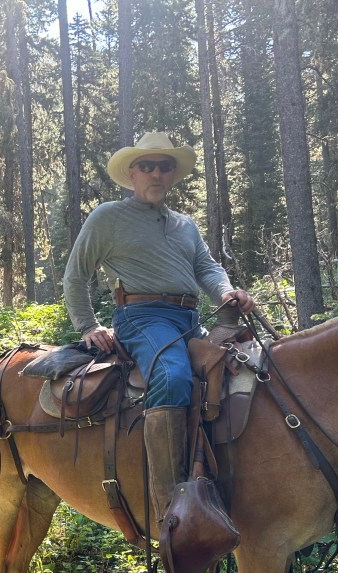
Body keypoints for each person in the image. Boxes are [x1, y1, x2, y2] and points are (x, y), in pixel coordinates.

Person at [62, 132, 255, 519]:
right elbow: (75, 275)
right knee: (171, 374)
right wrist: (87, 325)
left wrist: (226, 293)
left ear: (172, 175)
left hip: (188, 319)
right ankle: (172, 507)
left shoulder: (185, 225)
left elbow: (207, 267)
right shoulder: (108, 217)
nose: (156, 173)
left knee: (246, 366)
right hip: (141, 317)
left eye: (164, 166)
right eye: (147, 166)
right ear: (131, 173)